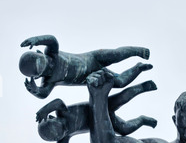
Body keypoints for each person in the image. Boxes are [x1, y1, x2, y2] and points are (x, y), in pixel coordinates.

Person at [36, 80, 157, 143]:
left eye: (63, 126)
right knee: (124, 129)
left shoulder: (62, 112)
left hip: (99, 105)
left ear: (53, 117)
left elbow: (58, 102)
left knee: (121, 98)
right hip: (101, 121)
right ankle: (142, 120)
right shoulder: (65, 136)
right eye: (63, 133)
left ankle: (142, 87)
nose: (66, 130)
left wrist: (44, 110)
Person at [19, 34, 152, 99]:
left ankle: (137, 51)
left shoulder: (52, 52)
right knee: (120, 82)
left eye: (43, 60)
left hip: (93, 58)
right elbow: (44, 94)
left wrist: (37, 40)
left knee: (116, 54)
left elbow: (52, 40)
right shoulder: (50, 81)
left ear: (40, 53)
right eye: (43, 68)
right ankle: (138, 68)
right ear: (38, 76)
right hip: (93, 77)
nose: (49, 64)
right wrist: (35, 90)